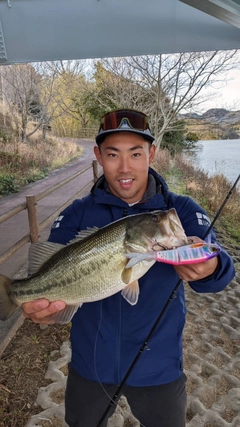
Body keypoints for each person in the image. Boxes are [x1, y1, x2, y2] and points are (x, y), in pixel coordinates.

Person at [22, 109, 235, 427]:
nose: (124, 167)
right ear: (98, 156)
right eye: (112, 154)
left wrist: (212, 267)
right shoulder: (76, 215)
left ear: (151, 153)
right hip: (90, 368)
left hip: (159, 369)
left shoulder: (182, 211)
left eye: (136, 153)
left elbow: (218, 274)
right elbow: (50, 272)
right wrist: (45, 307)